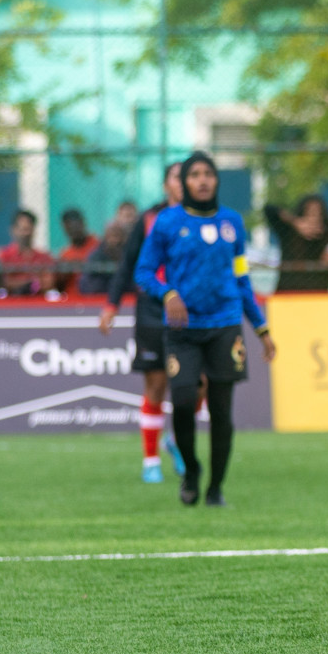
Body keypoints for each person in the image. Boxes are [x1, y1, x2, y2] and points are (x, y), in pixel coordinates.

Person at [135, 152, 276, 505]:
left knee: (221, 410)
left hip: (225, 326)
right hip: (183, 329)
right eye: (194, 174)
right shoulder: (167, 222)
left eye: (208, 174)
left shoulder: (233, 222)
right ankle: (192, 470)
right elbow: (143, 272)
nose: (202, 180)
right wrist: (167, 293)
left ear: (216, 180)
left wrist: (261, 328)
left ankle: (215, 489)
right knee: (182, 402)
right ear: (183, 182)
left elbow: (242, 278)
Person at [102, 163, 188, 484]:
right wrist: (111, 304)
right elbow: (128, 264)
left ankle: (176, 440)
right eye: (179, 177)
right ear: (166, 184)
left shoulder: (208, 218)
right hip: (154, 310)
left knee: (200, 384)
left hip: (193, 311)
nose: (187, 182)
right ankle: (151, 460)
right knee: (156, 386)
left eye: (192, 175)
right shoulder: (150, 219)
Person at [266, 195, 328, 293]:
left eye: (317, 213)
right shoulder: (288, 231)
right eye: (310, 213)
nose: (313, 217)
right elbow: (269, 209)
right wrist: (295, 222)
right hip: (287, 294)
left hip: (318, 295)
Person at [0, 209, 55, 296]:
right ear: (13, 230)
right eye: (22, 229)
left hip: (38, 303)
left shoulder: (43, 257)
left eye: (28, 229)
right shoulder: (4, 256)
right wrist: (30, 282)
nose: (25, 234)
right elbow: (3, 282)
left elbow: (48, 283)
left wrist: (19, 281)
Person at [56, 208, 99, 296]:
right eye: (69, 227)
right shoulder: (65, 254)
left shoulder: (97, 246)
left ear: (83, 224)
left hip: (93, 297)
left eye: (76, 225)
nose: (73, 230)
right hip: (71, 300)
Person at [78, 221, 129, 296]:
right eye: (111, 236)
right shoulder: (95, 256)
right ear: (105, 237)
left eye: (118, 235)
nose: (115, 241)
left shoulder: (131, 255)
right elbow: (86, 284)